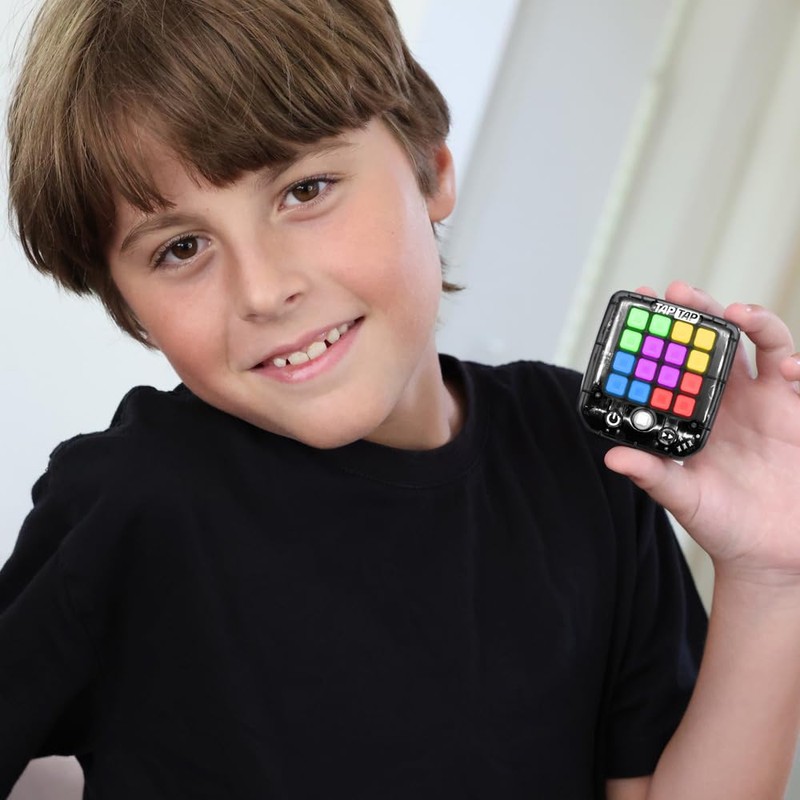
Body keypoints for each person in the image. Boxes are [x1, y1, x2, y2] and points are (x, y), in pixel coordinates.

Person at [1, 0, 799, 798]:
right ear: (129, 305)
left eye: (305, 190)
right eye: (182, 247)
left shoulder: (583, 456)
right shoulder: (130, 504)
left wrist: (772, 582)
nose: (264, 290)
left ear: (432, 168)